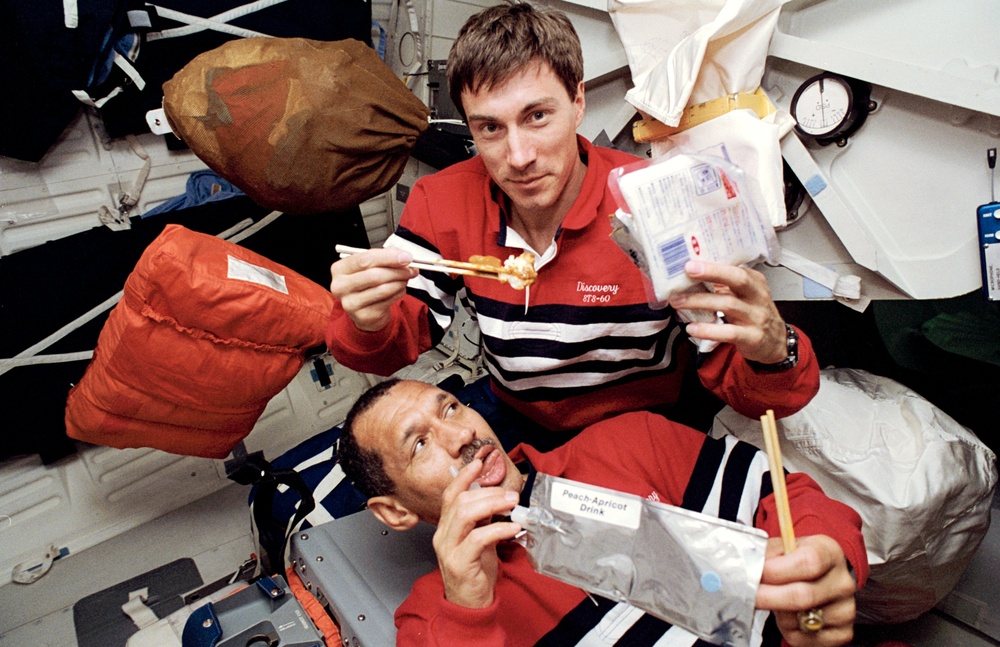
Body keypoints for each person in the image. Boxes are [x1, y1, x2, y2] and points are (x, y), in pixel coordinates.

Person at [327, 1, 819, 440]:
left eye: (537, 116)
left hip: (649, 424)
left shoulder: (658, 202)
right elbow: (393, 344)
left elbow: (759, 396)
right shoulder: (442, 201)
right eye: (490, 128)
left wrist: (778, 350)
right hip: (523, 418)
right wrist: (366, 321)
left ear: (578, 102)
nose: (518, 157)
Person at [338, 378, 868, 647]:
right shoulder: (431, 620)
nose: (463, 437)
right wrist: (470, 608)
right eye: (420, 444)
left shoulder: (626, 440)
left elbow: (790, 496)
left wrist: (826, 556)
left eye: (451, 406)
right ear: (394, 511)